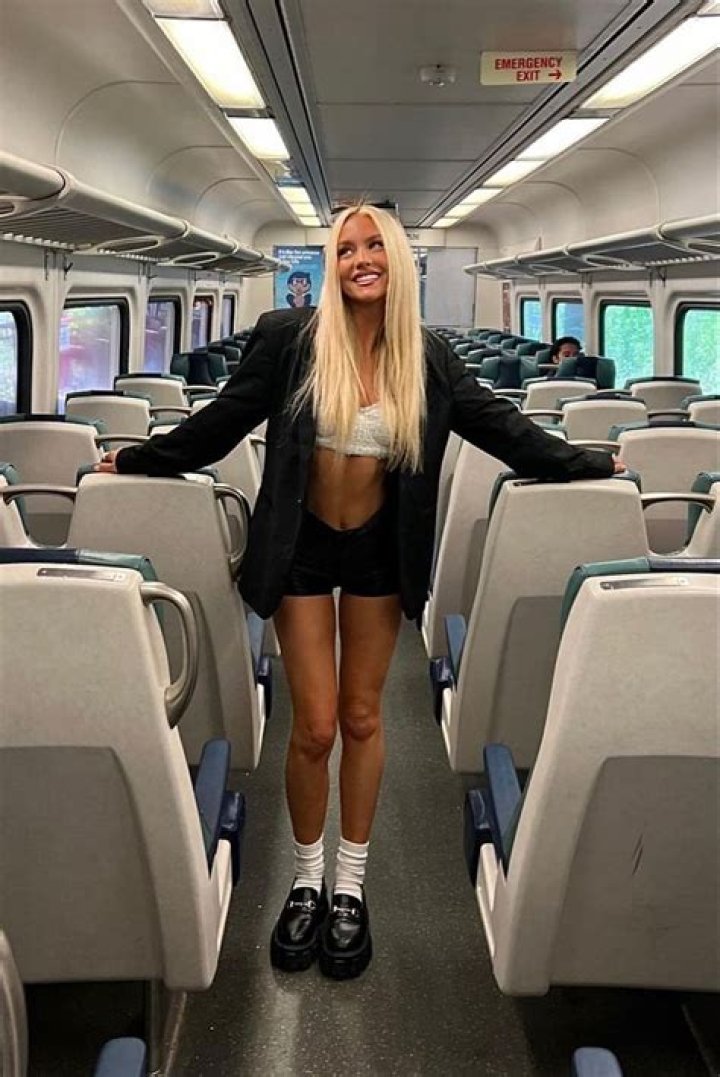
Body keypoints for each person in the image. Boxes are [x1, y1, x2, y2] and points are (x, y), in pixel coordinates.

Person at [95, 205, 622, 981]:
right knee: (313, 726)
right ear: (331, 264)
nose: (361, 259)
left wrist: (590, 463)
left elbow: (502, 428)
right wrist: (138, 457)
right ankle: (306, 879)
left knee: (363, 716)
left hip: (379, 548)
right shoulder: (289, 338)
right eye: (346, 248)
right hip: (302, 545)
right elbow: (222, 422)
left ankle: (350, 885)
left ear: (399, 260)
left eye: (375, 246)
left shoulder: (427, 356)